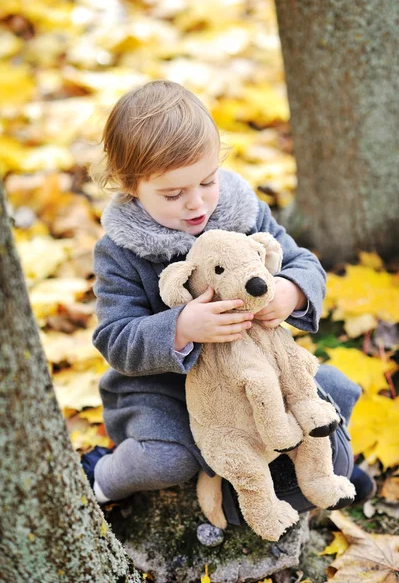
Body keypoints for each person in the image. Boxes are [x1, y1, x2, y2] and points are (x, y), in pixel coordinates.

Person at [82, 80, 375, 515]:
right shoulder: (121, 251)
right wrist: (180, 328)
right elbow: (115, 338)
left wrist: (289, 292)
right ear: (129, 185)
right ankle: (100, 477)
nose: (195, 203)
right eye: (173, 193)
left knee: (331, 391)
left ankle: (327, 466)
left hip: (253, 374)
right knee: (166, 458)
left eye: (206, 181)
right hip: (166, 391)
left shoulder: (243, 212)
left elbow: (301, 262)